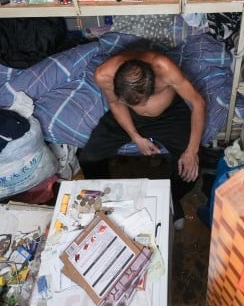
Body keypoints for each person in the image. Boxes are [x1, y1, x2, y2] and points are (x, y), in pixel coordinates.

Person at [77, 48, 205, 227]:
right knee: (89, 157)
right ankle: (105, 202)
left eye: (143, 102)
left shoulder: (164, 68)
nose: (144, 106)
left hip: (170, 115)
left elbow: (197, 102)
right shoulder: (104, 74)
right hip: (128, 117)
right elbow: (115, 103)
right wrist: (135, 136)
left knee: (192, 169)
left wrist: (192, 150)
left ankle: (170, 198)